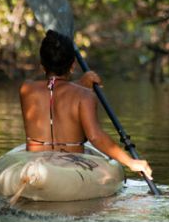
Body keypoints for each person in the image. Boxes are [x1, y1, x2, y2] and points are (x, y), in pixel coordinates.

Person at [19, 30, 153, 179]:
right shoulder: (85, 96)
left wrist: (82, 83)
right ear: (73, 65)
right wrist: (131, 162)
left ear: (42, 66)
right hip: (71, 168)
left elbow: (54, 89)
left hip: (35, 162)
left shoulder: (26, 89)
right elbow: (95, 137)